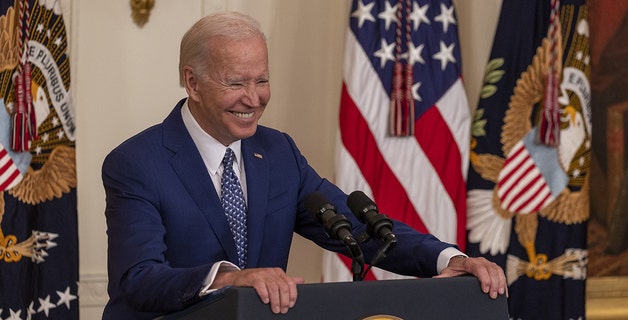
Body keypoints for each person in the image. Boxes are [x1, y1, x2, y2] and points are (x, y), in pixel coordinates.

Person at [101, 11, 507, 320]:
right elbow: (137, 278)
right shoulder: (137, 163)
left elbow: (361, 229)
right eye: (236, 83)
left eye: (261, 80)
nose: (254, 98)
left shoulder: (278, 153)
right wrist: (227, 279)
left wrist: (450, 260)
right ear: (192, 83)